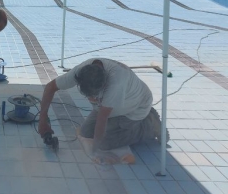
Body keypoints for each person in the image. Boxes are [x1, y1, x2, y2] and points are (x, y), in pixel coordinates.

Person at [38, 58, 166, 157]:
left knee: (104, 143)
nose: (90, 99)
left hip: (135, 107)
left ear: (105, 84)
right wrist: (42, 120)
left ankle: (149, 124)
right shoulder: (82, 71)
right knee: (86, 133)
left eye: (94, 96)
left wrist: (94, 152)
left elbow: (102, 119)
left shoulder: (115, 83)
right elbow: (50, 88)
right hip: (114, 105)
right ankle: (119, 125)